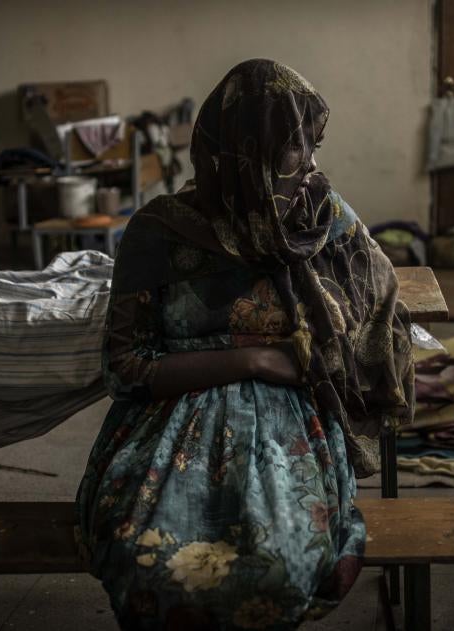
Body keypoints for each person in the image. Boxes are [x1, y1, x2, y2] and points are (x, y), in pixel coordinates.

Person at [76, 59, 415, 630]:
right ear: (240, 147)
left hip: (290, 419)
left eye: (314, 141)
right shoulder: (159, 230)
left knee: (278, 562)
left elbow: (376, 307)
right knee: (145, 561)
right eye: (293, 144)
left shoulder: (319, 217)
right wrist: (256, 359)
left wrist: (316, 357)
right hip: (168, 419)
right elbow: (125, 368)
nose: (309, 159)